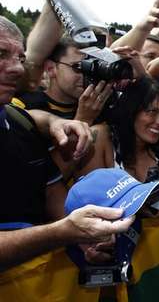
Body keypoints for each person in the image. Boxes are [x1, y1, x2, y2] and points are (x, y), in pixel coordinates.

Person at [0, 15, 132, 269]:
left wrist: (86, 240)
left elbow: (50, 193)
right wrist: (61, 233)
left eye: (20, 59)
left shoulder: (20, 122)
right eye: (1, 54)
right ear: (51, 68)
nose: (17, 68)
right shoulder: (29, 110)